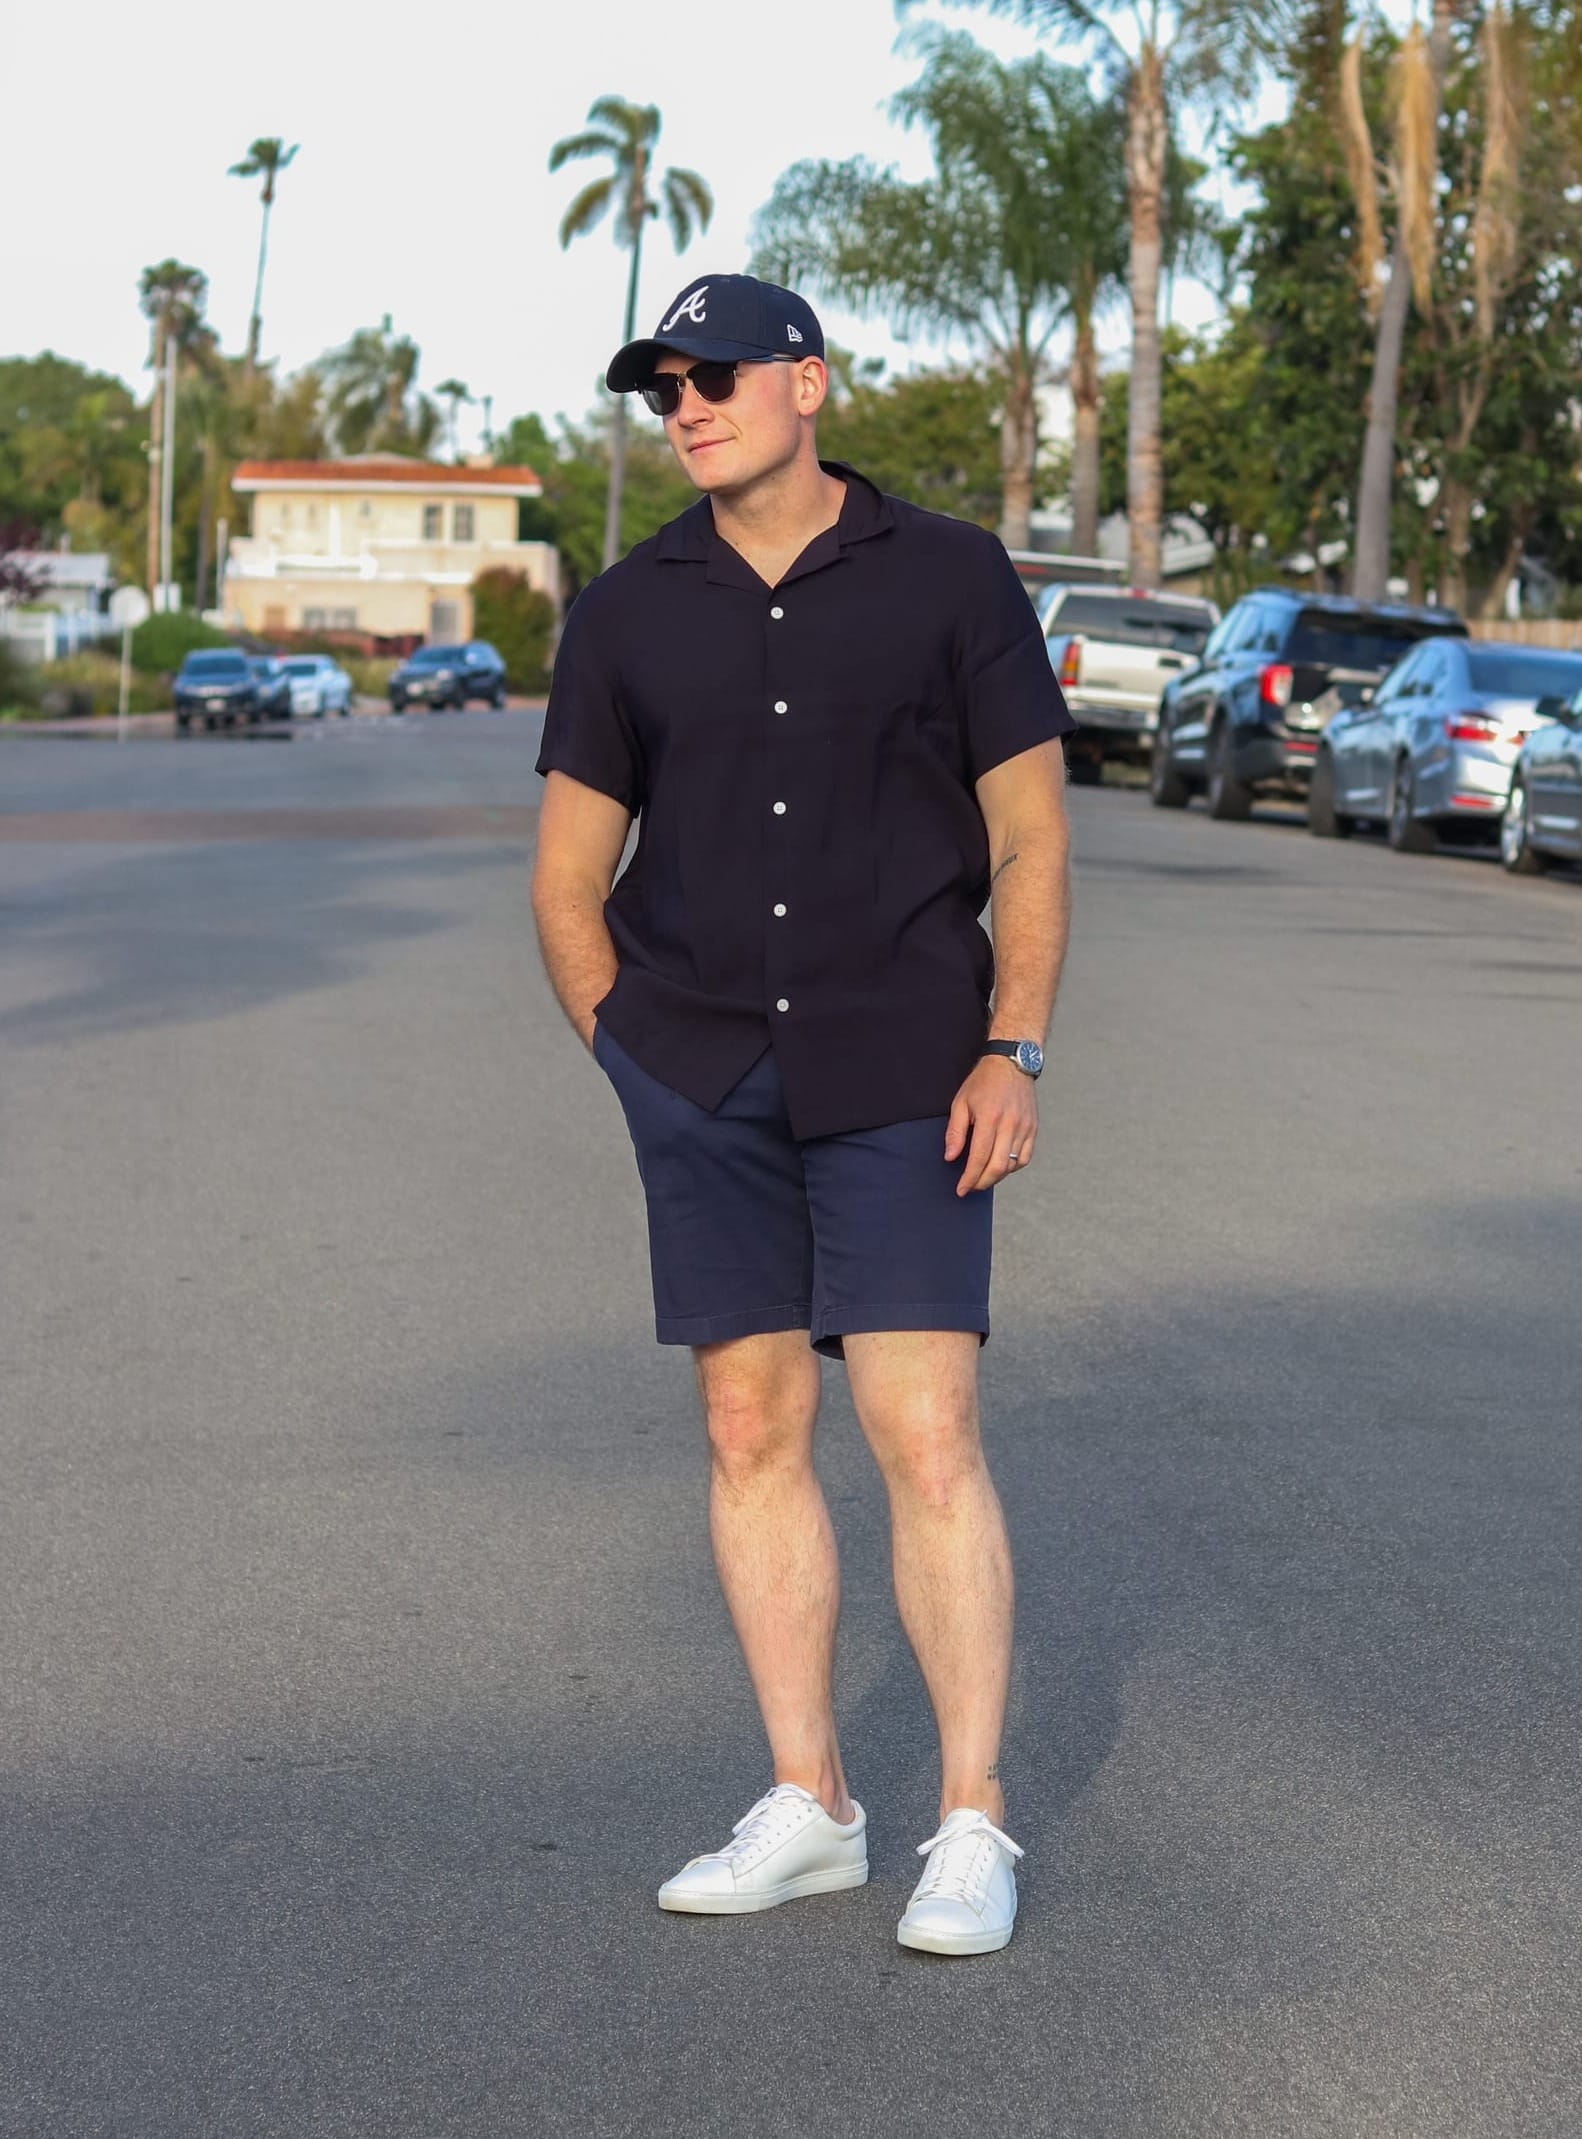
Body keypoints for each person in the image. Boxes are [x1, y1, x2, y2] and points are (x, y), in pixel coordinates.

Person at [531, 273, 1074, 1957]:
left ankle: (969, 1821)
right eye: (662, 388)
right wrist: (628, 1048)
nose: (686, 407)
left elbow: (1028, 837)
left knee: (924, 1434)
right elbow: (566, 878)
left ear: (807, 383)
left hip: (907, 1065)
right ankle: (812, 1805)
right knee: (746, 1428)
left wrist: (1013, 1046)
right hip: (701, 1070)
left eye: (713, 376)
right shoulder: (626, 611)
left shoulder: (951, 577)